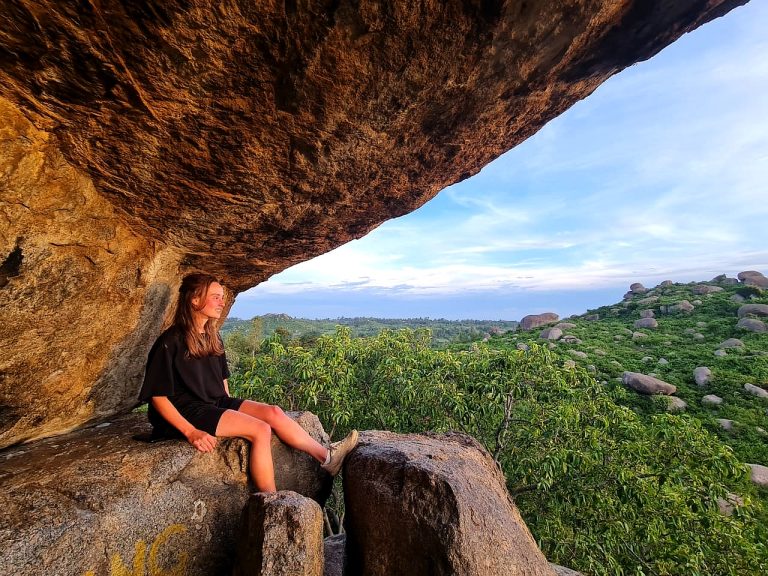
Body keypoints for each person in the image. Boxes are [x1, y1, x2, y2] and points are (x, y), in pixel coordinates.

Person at [138, 273, 358, 492]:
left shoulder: (212, 336)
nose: (222, 302)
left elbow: (222, 381)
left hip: (215, 402)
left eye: (222, 297)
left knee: (273, 412)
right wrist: (191, 432)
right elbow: (157, 397)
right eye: (215, 297)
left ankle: (327, 458)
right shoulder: (170, 341)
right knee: (260, 429)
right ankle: (271, 500)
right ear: (194, 299)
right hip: (187, 410)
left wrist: (231, 410)